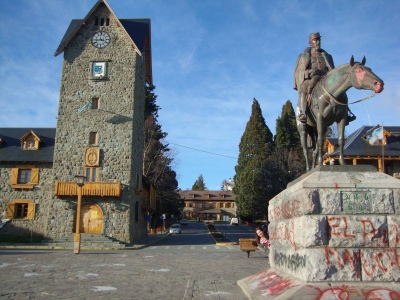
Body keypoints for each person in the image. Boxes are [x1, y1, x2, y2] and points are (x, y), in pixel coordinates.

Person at [294, 32, 356, 124]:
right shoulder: (305, 55)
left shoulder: (326, 55)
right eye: (315, 40)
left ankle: (346, 113)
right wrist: (310, 73)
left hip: (326, 78)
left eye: (319, 40)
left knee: (341, 89)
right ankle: (303, 113)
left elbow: (333, 71)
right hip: (312, 78)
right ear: (310, 42)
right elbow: (301, 71)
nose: (318, 42)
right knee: (304, 88)